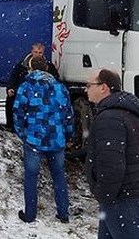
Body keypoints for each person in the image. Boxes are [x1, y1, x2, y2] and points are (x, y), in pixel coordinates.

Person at [13, 57, 74, 223]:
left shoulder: (26, 87)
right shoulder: (60, 88)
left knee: (31, 177)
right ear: (47, 68)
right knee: (59, 176)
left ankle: (30, 215)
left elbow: (18, 114)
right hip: (57, 139)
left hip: (34, 139)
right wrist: (67, 134)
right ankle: (63, 214)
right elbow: (68, 114)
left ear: (30, 68)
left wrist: (23, 134)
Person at [85, 69, 139, 238]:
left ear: (104, 87)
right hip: (126, 195)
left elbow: (112, 165)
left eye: (89, 85)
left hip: (121, 199)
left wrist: (103, 194)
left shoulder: (110, 118)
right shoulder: (127, 111)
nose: (86, 89)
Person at [6, 42, 59, 132]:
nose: (38, 54)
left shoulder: (49, 66)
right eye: (36, 52)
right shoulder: (22, 65)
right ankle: (11, 127)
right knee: (11, 101)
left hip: (42, 93)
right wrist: (10, 88)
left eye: (40, 52)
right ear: (31, 52)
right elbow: (13, 77)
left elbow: (56, 79)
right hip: (23, 91)